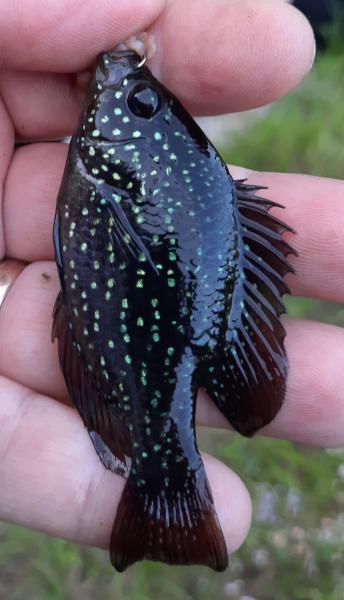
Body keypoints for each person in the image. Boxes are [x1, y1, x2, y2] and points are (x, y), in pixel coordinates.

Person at [0, 0, 341, 559]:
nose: (125, 86)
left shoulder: (123, 171)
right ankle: (166, 497)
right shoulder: (135, 171)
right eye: (143, 102)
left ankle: (166, 501)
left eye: (138, 103)